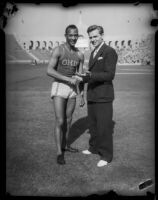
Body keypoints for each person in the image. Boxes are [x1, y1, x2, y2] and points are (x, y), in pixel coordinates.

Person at [79, 25, 118, 167]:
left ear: (102, 35)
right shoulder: (93, 52)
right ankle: (94, 148)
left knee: (104, 127)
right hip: (92, 94)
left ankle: (106, 156)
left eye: (95, 36)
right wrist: (82, 78)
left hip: (103, 95)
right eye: (90, 37)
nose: (93, 39)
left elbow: (110, 75)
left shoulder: (109, 51)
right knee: (93, 125)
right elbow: (92, 76)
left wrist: (90, 75)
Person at [47, 24, 85, 165]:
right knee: (60, 120)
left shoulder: (80, 54)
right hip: (59, 86)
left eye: (76, 35)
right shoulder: (59, 50)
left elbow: (80, 76)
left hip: (73, 90)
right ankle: (59, 153)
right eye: (71, 35)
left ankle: (66, 145)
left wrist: (82, 94)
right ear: (66, 35)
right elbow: (49, 70)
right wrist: (68, 79)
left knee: (68, 120)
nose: (73, 37)